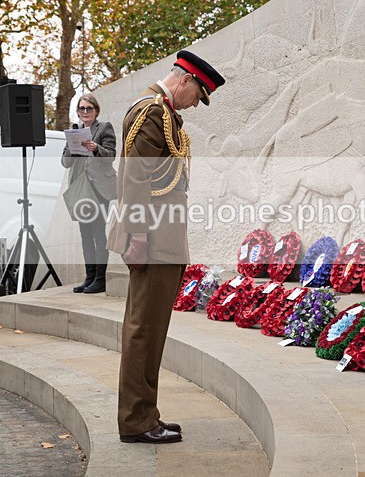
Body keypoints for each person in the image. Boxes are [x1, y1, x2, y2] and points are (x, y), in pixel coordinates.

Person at [108, 50, 225, 444]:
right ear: (185, 80)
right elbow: (136, 179)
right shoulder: (152, 112)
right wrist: (139, 237)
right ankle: (136, 421)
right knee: (143, 330)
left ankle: (146, 413)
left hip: (162, 239)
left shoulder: (162, 112)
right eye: (197, 95)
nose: (194, 104)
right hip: (152, 241)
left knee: (151, 330)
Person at [61, 93, 117, 294]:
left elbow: (111, 156)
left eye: (89, 108)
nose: (85, 112)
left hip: (99, 188)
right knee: (85, 235)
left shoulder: (104, 128)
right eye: (82, 108)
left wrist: (95, 148)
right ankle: (89, 277)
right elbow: (65, 162)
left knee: (98, 234)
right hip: (81, 189)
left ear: (96, 110)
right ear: (77, 112)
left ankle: (100, 279)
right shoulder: (74, 131)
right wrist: (72, 148)